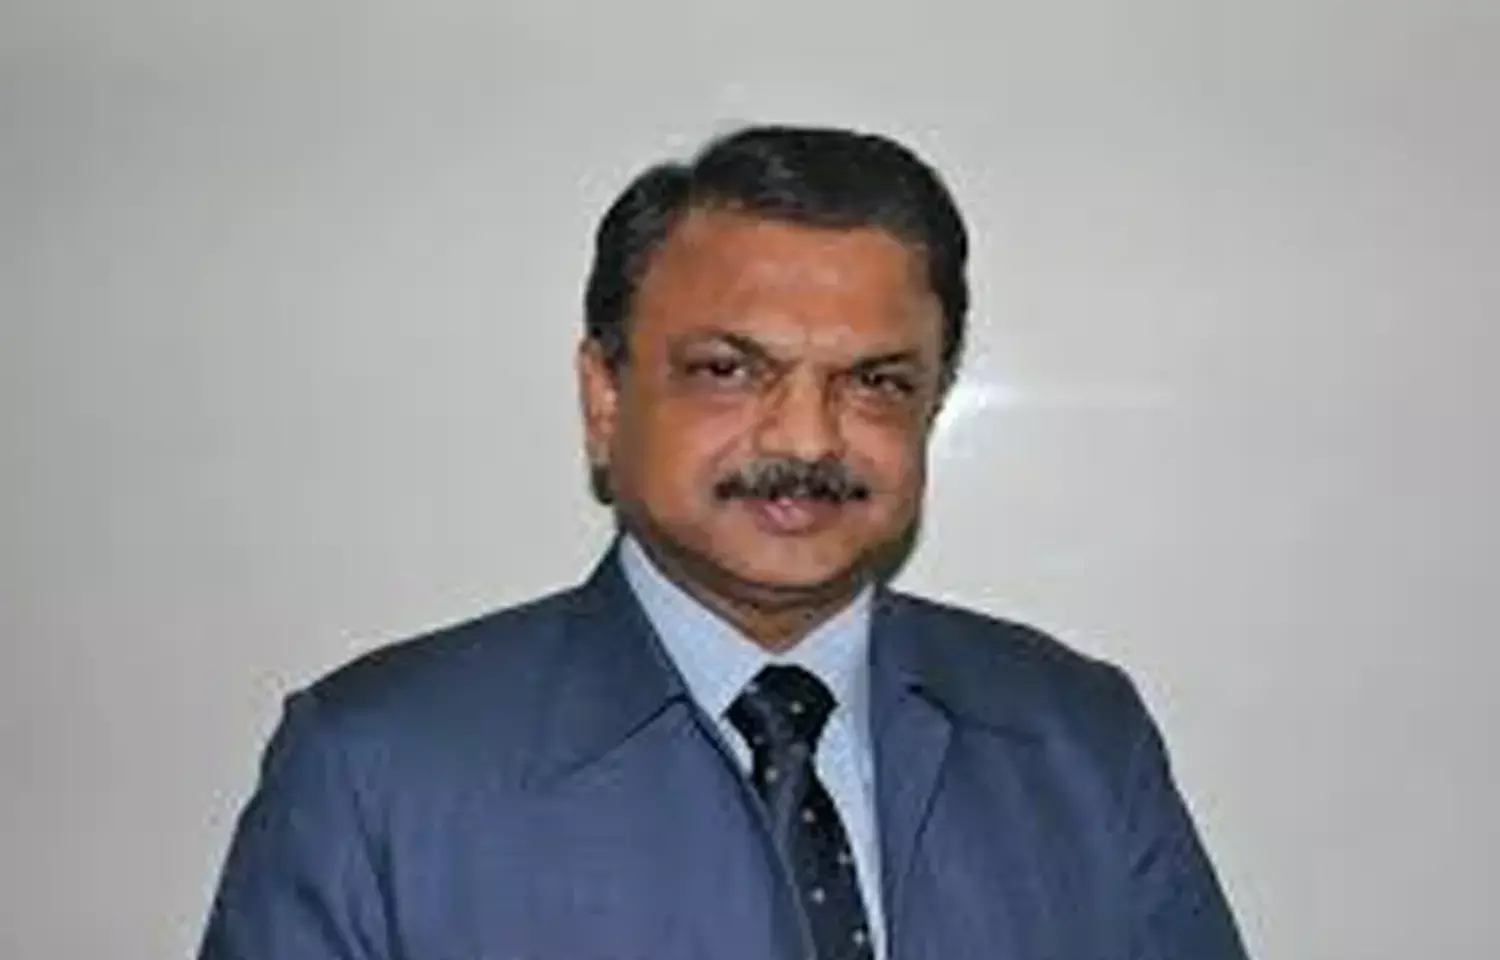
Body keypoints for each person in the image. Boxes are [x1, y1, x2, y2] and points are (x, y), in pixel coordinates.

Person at [197, 124, 1249, 960]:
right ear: (606, 397)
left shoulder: (1075, 739)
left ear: (930, 410)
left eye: (876, 382)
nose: (806, 439)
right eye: (729, 370)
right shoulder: (378, 771)